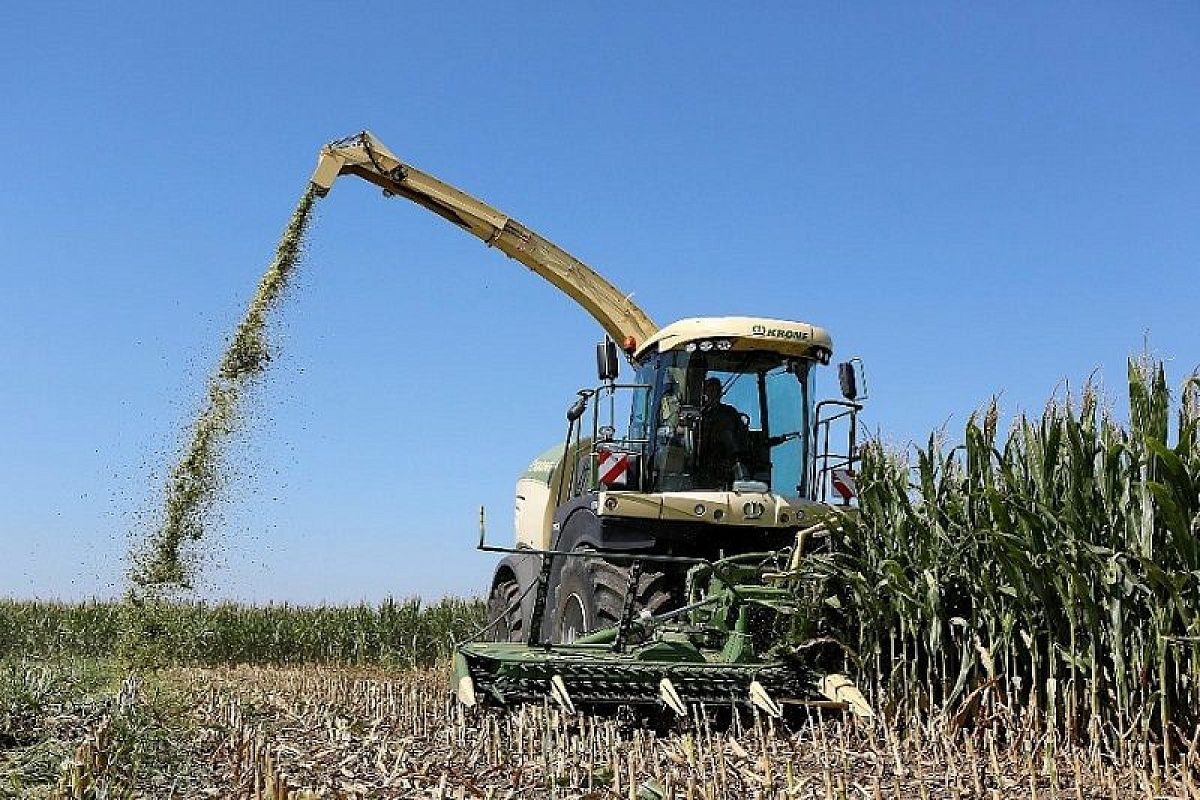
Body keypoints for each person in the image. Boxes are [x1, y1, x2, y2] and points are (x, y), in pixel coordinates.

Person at [696, 377, 746, 488]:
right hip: (700, 464)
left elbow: (739, 438)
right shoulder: (697, 414)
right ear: (704, 392)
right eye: (710, 390)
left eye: (716, 391)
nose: (713, 394)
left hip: (724, 464)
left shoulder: (729, 413)